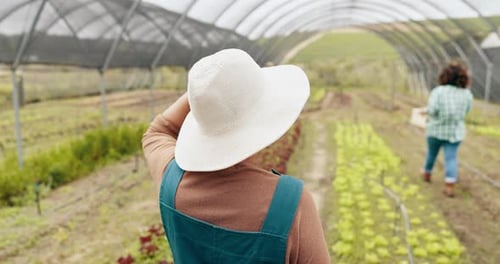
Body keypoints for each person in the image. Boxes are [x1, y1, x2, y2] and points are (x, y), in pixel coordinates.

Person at [142, 49, 330, 263]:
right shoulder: (290, 203)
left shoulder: (171, 180)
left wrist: (205, 92)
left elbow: (158, 130)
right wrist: (228, 88)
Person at [421, 61, 473, 197]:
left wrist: (427, 114)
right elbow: (467, 110)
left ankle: (426, 173)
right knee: (451, 158)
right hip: (455, 132)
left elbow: (432, 110)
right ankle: (449, 185)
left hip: (435, 130)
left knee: (431, 153)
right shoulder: (466, 94)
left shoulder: (438, 92)